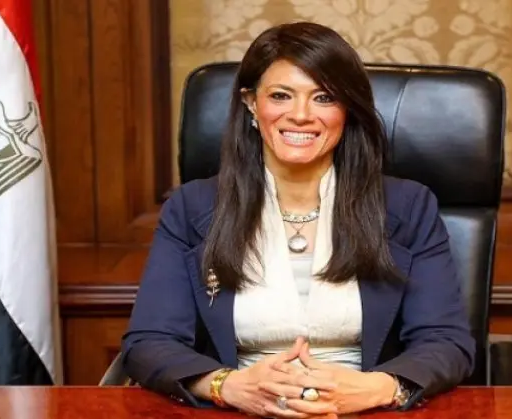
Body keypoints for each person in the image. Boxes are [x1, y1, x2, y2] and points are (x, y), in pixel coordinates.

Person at [121, 21, 475, 418]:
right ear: (251, 103)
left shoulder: (408, 207)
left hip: (366, 410)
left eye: (324, 97)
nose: (301, 115)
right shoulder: (191, 208)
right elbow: (150, 342)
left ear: (347, 109)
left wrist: (381, 388)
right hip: (239, 410)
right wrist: (226, 385)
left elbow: (445, 341)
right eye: (281, 96)